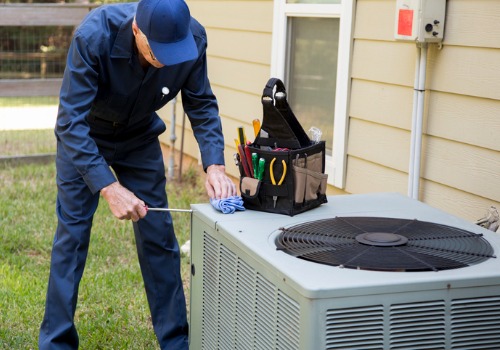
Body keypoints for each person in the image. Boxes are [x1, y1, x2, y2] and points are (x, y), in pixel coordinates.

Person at [38, 0, 236, 348]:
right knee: (72, 238)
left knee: (158, 236)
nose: (165, 60)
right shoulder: (94, 36)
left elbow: (201, 103)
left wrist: (214, 165)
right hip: (86, 134)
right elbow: (69, 122)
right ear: (136, 30)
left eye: (172, 51)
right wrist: (109, 187)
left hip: (139, 135)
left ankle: (175, 342)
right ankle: (56, 342)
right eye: (156, 50)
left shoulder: (193, 40)